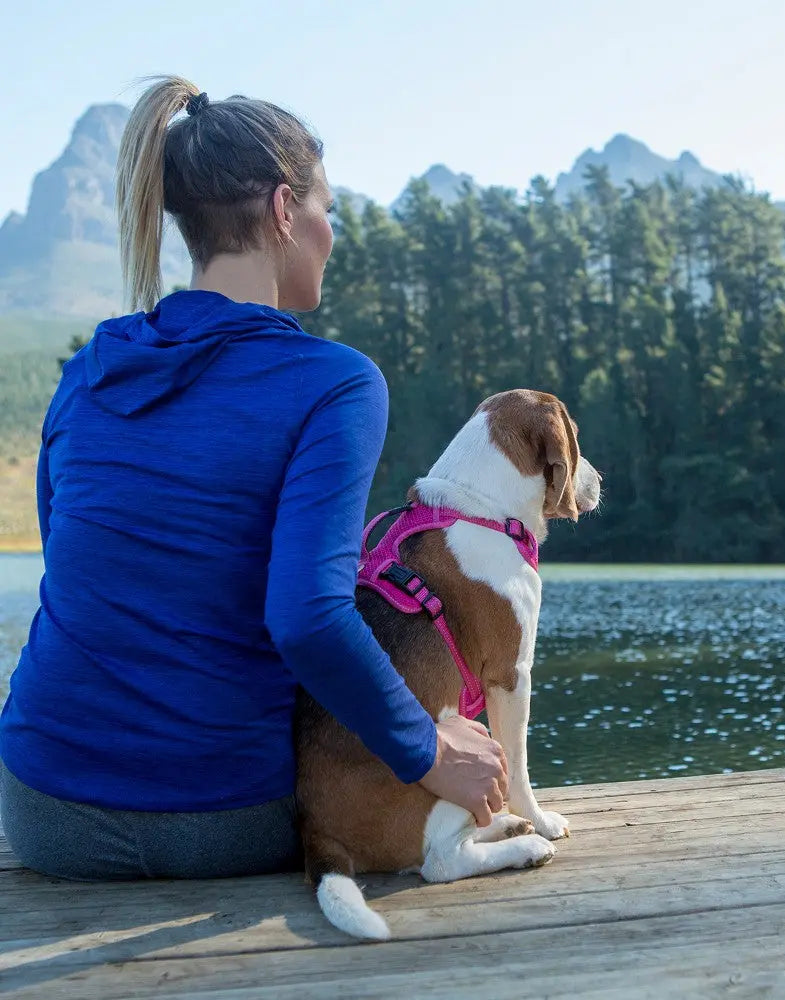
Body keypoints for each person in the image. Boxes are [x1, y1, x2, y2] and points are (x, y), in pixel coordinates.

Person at [0, 76, 508, 880]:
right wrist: (423, 749)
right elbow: (306, 617)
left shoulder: (90, 369)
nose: (330, 233)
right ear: (282, 210)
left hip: (42, 809)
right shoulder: (333, 382)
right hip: (225, 816)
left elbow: (69, 562)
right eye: (325, 210)